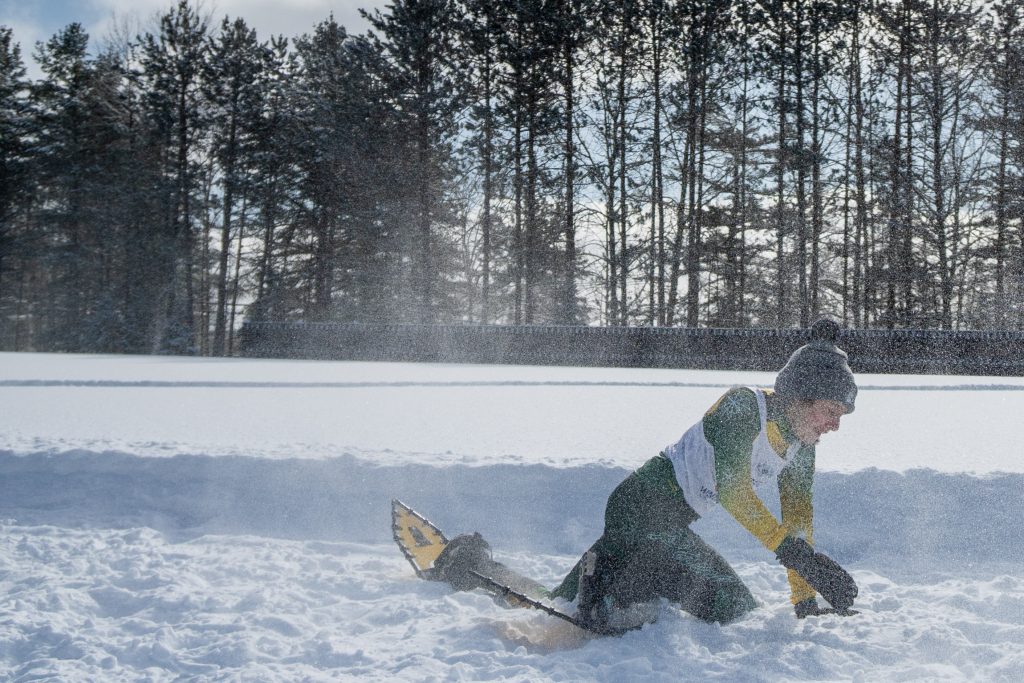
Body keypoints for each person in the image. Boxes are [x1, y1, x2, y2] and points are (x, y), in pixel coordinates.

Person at [547, 318, 860, 630]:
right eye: (831, 411)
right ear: (801, 397)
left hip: (673, 522)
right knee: (729, 604)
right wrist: (789, 551)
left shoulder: (803, 444)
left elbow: (797, 518)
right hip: (641, 505)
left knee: (737, 603)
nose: (835, 425)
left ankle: (594, 586)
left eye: (841, 416)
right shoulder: (743, 407)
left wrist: (804, 599)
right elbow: (733, 491)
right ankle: (610, 594)